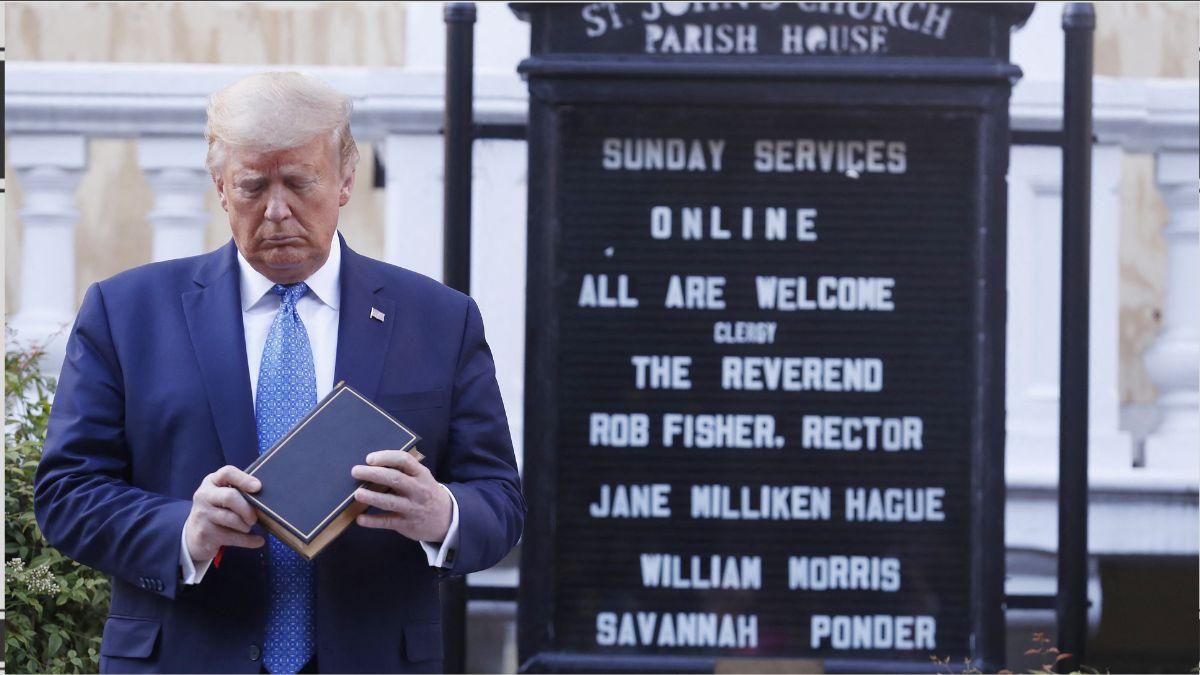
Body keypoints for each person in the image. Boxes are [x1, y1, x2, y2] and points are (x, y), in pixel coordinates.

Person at [33, 72, 525, 674]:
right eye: (251, 186)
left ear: (345, 179)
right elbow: (66, 493)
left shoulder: (438, 320)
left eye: (298, 182)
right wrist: (183, 530)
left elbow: (500, 500)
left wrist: (442, 513)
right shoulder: (127, 312)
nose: (276, 210)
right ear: (218, 185)